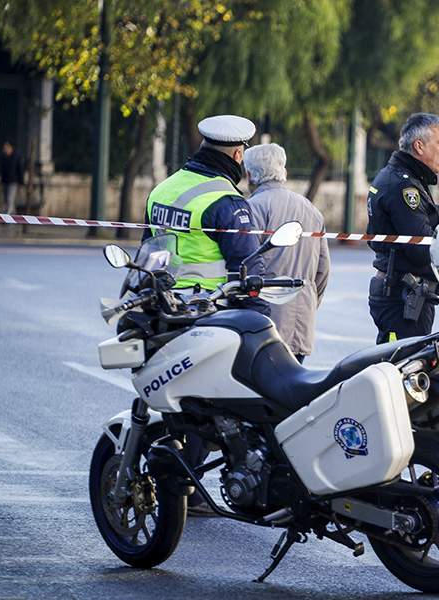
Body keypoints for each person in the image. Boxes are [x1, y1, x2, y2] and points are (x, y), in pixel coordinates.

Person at [144, 114, 267, 517]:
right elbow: (248, 271)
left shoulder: (164, 189)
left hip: (162, 313)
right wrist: (262, 327)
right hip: (207, 316)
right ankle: (192, 490)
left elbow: (149, 252)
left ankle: (175, 488)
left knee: (176, 402)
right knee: (206, 408)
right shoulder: (226, 201)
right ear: (237, 152)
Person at [366, 112, 439, 344]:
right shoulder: (403, 186)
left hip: (407, 294)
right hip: (403, 298)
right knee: (401, 369)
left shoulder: (407, 178)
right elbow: (421, 246)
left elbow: (420, 229)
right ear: (419, 146)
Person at [245, 143, 330, 363]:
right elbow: (323, 271)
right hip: (302, 320)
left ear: (250, 174)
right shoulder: (311, 210)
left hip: (265, 323)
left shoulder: (252, 208)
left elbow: (247, 263)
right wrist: (307, 301)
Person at [0, 142, 24, 214]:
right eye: (4, 149)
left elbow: (20, 170)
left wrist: (21, 182)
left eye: (6, 148)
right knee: (6, 200)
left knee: (10, 199)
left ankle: (7, 218)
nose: (4, 150)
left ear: (10, 148)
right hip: (4, 181)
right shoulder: (2, 157)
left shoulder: (17, 157)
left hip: (13, 182)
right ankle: (13, 217)